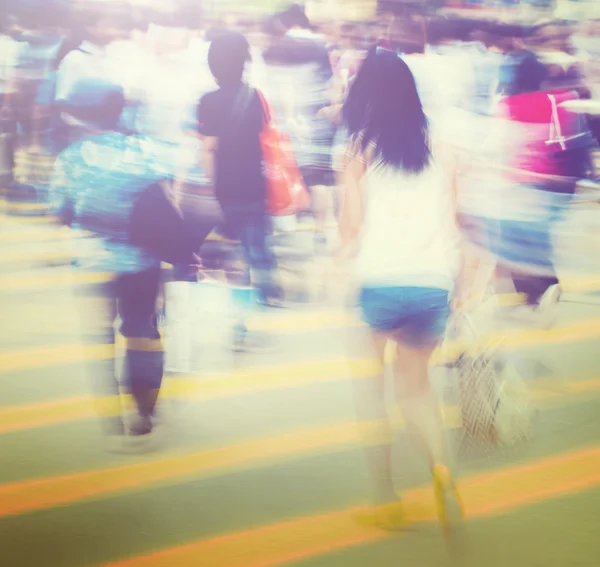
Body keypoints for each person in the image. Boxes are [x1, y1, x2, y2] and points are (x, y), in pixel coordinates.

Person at [337, 48, 464, 530]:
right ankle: (441, 469)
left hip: (380, 281)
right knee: (416, 390)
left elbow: (351, 230)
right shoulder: (443, 147)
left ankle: (386, 498)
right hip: (433, 282)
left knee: (373, 393)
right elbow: (454, 219)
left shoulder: (357, 151)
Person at [49, 79, 171, 450]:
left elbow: (61, 212)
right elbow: (169, 200)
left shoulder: (71, 157)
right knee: (141, 329)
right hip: (142, 260)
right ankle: (144, 410)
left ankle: (112, 414)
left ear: (81, 115)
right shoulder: (147, 151)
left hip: (92, 259)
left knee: (102, 335)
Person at [197, 31, 279, 351]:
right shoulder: (257, 97)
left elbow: (209, 150)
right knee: (249, 254)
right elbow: (266, 138)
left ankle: (228, 318)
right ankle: (247, 313)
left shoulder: (207, 102)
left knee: (220, 256)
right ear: (244, 62)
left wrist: (206, 190)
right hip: (253, 187)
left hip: (222, 190)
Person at [263, 4, 337, 252]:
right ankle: (321, 230)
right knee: (320, 181)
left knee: (283, 176)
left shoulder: (276, 47)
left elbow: (269, 87)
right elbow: (328, 85)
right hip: (315, 123)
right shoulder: (319, 45)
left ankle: (285, 228)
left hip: (286, 125)